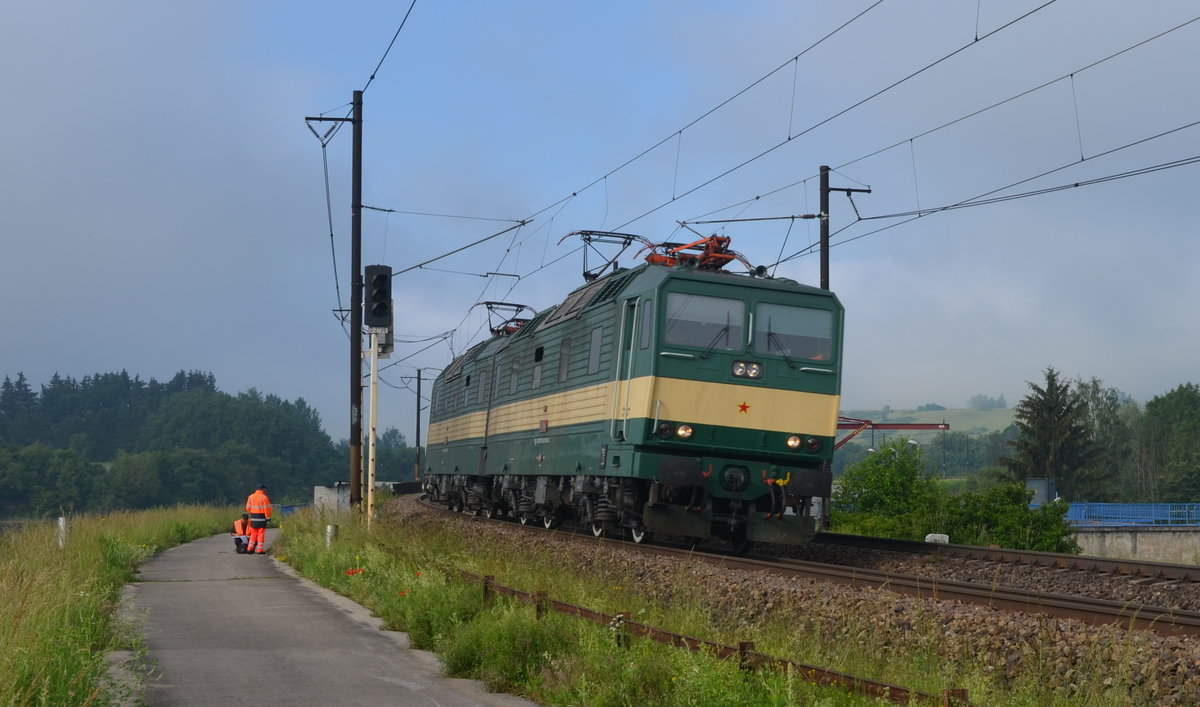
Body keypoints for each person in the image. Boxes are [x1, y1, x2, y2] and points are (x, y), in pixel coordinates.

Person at [245, 484, 272, 555]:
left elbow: (247, 508)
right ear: (262, 489)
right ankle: (259, 550)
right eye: (265, 489)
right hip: (261, 518)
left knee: (253, 534)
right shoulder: (264, 498)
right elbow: (267, 509)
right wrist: (268, 519)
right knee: (260, 534)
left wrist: (253, 512)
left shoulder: (250, 497)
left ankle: (249, 549)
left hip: (253, 518)